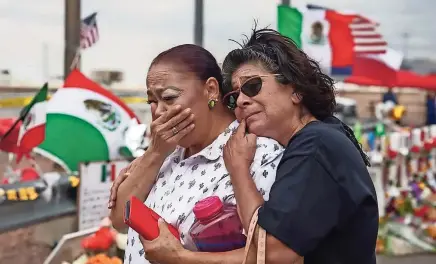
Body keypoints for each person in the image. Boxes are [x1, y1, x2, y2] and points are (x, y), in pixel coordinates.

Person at [135, 29, 379, 264]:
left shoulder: (315, 145)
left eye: (253, 86)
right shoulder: (319, 137)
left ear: (295, 90)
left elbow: (272, 253)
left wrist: (180, 257)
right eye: (234, 96)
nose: (241, 100)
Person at [107, 44, 284, 264]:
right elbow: (119, 220)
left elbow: (269, 254)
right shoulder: (164, 156)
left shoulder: (258, 154)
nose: (159, 111)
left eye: (169, 98)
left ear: (211, 90)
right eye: (152, 101)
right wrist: (154, 153)